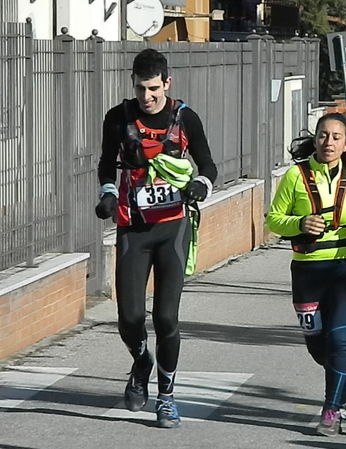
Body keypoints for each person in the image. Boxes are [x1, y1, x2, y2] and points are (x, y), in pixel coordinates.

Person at [95, 48, 217, 428]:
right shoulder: (119, 117)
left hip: (173, 227)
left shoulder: (185, 118)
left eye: (153, 89)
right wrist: (108, 193)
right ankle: (141, 359)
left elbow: (209, 164)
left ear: (167, 83)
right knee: (129, 318)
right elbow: (104, 162)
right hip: (133, 227)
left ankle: (166, 397)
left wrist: (201, 184)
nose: (146, 97)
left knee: (166, 317)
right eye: (140, 89)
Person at [266, 112, 346, 437]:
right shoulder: (295, 177)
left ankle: (331, 409)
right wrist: (299, 224)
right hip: (307, 271)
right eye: (323, 136)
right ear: (315, 139)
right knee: (317, 346)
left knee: (339, 340)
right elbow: (274, 219)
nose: (329, 142)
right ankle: (340, 380)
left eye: (336, 137)